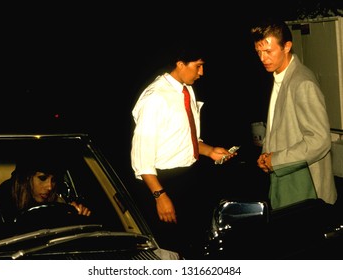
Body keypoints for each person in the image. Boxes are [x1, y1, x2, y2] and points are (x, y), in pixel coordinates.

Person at [130, 43, 237, 258]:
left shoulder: (186, 89)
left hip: (189, 178)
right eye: (198, 66)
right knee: (168, 252)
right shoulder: (155, 98)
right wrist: (160, 196)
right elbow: (141, 158)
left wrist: (210, 151)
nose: (202, 72)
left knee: (193, 248)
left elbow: (185, 138)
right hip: (164, 183)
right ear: (180, 64)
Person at [250, 17, 337, 209]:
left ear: (287, 46)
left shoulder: (302, 82)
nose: (263, 58)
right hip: (284, 174)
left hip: (304, 182)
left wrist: (276, 159)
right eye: (259, 52)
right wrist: (266, 154)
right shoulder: (279, 76)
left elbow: (320, 140)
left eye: (268, 51)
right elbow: (279, 126)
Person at [0, 153, 91, 223]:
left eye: (54, 180)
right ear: (27, 178)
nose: (50, 186)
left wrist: (76, 216)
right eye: (42, 178)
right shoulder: (2, 202)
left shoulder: (58, 199)